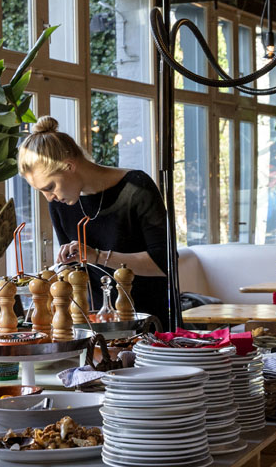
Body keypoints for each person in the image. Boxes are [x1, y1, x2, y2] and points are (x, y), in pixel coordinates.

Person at [17, 117, 170, 323]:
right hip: (92, 324)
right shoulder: (59, 204)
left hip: (146, 321)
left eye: (50, 187)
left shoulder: (137, 188)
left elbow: (164, 264)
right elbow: (74, 270)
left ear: (68, 166)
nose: (49, 197)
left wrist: (98, 256)